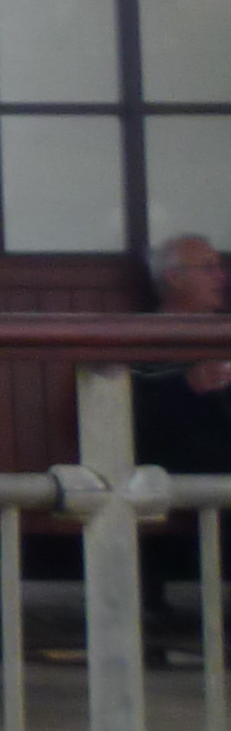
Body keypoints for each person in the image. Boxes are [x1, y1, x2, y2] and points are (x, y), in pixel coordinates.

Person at [130, 234, 231, 654]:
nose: (222, 277)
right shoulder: (141, 335)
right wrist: (187, 386)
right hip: (172, 461)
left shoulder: (221, 331)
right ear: (173, 278)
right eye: (208, 268)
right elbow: (132, 409)